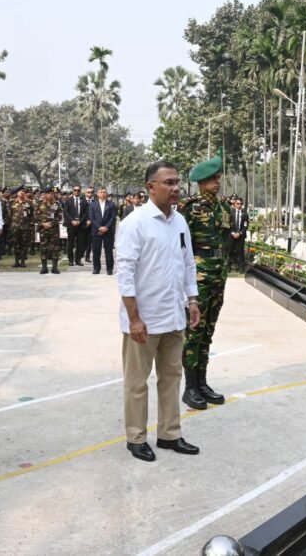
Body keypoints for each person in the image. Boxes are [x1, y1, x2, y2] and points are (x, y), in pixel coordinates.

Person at [116, 160, 201, 462]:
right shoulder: (134, 223)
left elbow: (188, 263)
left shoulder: (180, 222)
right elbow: (124, 273)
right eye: (168, 182)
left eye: (177, 182)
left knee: (171, 377)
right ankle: (136, 437)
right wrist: (134, 318)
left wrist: (192, 300)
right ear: (151, 186)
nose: (176, 188)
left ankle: (170, 434)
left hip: (174, 315)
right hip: (144, 321)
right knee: (137, 383)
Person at [179, 149, 231, 410]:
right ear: (202, 182)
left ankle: (202, 382)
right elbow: (181, 246)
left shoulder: (224, 208)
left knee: (208, 331)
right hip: (199, 276)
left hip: (218, 277)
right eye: (213, 179)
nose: (217, 182)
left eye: (218, 178)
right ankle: (190, 387)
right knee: (194, 332)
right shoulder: (190, 208)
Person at [90, 186, 116, 275]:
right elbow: (92, 218)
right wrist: (99, 227)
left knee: (108, 251)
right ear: (97, 194)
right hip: (96, 231)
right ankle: (96, 268)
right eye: (101, 192)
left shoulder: (111, 204)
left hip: (107, 231)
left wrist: (106, 227)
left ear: (107, 194)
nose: (103, 193)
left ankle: (109, 269)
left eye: (104, 192)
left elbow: (113, 218)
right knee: (96, 251)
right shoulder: (93, 204)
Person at [36, 187, 63, 274]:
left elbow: (59, 216)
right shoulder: (40, 204)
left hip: (54, 230)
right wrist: (43, 224)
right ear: (45, 194)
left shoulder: (57, 205)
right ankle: (44, 267)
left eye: (52, 194)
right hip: (43, 229)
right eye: (49, 193)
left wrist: (51, 224)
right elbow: (36, 216)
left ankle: (54, 267)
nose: (51, 195)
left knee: (55, 248)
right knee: (43, 248)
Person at [64, 185, 89, 266]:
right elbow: (66, 212)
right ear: (73, 190)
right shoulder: (68, 200)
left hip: (80, 225)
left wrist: (80, 221)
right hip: (71, 225)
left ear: (80, 191)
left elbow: (86, 213)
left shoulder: (84, 200)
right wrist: (72, 221)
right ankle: (70, 260)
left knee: (80, 243)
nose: (77, 192)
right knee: (70, 243)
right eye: (75, 190)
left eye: (78, 190)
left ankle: (78, 259)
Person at [10, 187, 34, 268]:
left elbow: (31, 215)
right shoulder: (12, 202)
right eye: (20, 191)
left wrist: (30, 225)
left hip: (25, 227)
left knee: (24, 244)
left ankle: (23, 261)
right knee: (16, 244)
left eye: (23, 191)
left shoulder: (29, 203)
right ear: (17, 193)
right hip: (15, 227)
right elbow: (10, 215)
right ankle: (16, 261)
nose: (21, 192)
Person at [229, 198, 248, 272]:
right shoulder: (231, 212)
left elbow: (246, 225)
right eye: (238, 203)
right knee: (230, 251)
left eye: (241, 204)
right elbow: (228, 224)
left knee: (240, 252)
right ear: (235, 204)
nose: (239, 205)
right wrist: (233, 233)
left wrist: (240, 233)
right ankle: (228, 267)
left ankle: (241, 268)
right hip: (231, 235)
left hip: (240, 236)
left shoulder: (245, 213)